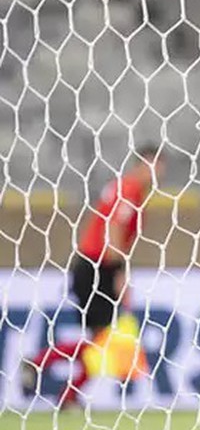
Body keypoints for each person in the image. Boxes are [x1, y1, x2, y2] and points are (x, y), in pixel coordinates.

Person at [22, 144, 164, 409]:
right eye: (155, 165)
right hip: (98, 267)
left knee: (101, 341)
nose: (159, 172)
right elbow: (114, 227)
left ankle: (66, 394)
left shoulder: (124, 188)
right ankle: (40, 364)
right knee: (103, 341)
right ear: (142, 164)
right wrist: (119, 273)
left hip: (92, 265)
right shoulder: (130, 189)